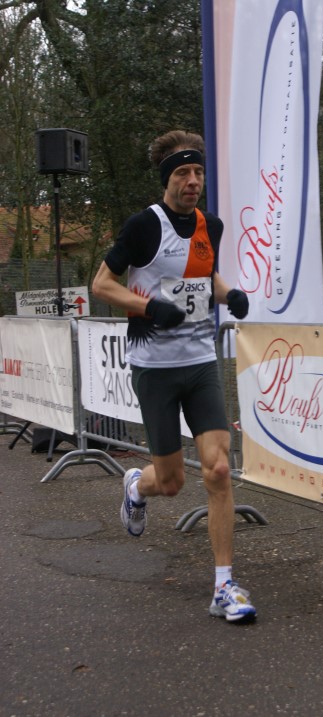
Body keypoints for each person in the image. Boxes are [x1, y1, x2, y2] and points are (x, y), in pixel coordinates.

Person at [92, 129, 256, 623]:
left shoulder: (212, 225)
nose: (193, 181)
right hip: (155, 368)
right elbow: (101, 284)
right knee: (170, 483)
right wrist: (148, 307)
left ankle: (224, 587)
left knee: (219, 469)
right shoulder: (144, 226)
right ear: (167, 179)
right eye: (183, 173)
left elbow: (205, 276)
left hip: (200, 362)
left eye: (198, 172)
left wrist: (230, 294)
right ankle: (136, 487)